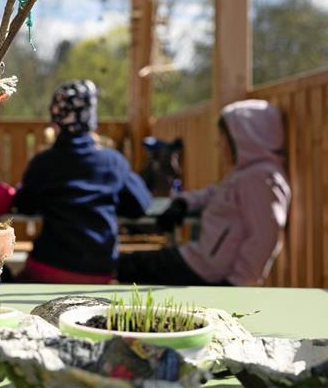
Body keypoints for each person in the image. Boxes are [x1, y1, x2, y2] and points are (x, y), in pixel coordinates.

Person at [118, 99, 291, 286]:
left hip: (208, 271)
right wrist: (183, 203)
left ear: (244, 138)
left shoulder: (262, 178)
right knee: (132, 264)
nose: (219, 145)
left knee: (127, 266)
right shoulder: (245, 174)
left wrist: (238, 283)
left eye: (224, 138)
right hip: (200, 259)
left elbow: (264, 237)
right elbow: (214, 193)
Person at [13, 80, 152, 283]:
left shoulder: (43, 163)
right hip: (98, 271)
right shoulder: (113, 162)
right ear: (91, 119)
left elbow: (24, 204)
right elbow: (140, 204)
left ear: (55, 118)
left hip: (49, 267)